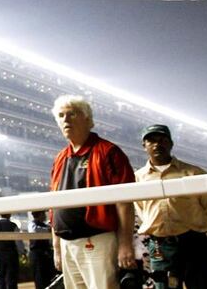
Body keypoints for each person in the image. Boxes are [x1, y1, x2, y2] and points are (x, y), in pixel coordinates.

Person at [49, 95, 136, 288]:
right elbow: (53, 206)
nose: (66, 119)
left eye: (72, 114)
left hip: (97, 240)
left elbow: (125, 202)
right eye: (61, 115)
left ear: (88, 120)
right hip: (67, 243)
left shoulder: (108, 152)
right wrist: (56, 247)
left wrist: (125, 244)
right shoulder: (60, 158)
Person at [133, 124, 207, 289]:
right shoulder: (137, 179)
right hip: (160, 245)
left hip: (194, 242)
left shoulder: (194, 173)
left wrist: (197, 230)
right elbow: (141, 210)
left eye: (162, 140)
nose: (157, 144)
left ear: (171, 144)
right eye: (151, 140)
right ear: (144, 145)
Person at [0, 214, 23, 289]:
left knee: (0, 278)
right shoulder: (13, 225)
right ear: (9, 215)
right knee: (12, 279)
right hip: (11, 254)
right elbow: (18, 241)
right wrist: (21, 252)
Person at [28, 210, 56, 289]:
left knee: (48, 278)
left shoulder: (45, 225)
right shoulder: (32, 224)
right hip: (37, 254)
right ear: (40, 214)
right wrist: (48, 229)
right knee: (39, 278)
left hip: (46, 254)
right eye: (43, 213)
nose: (45, 215)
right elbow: (34, 231)